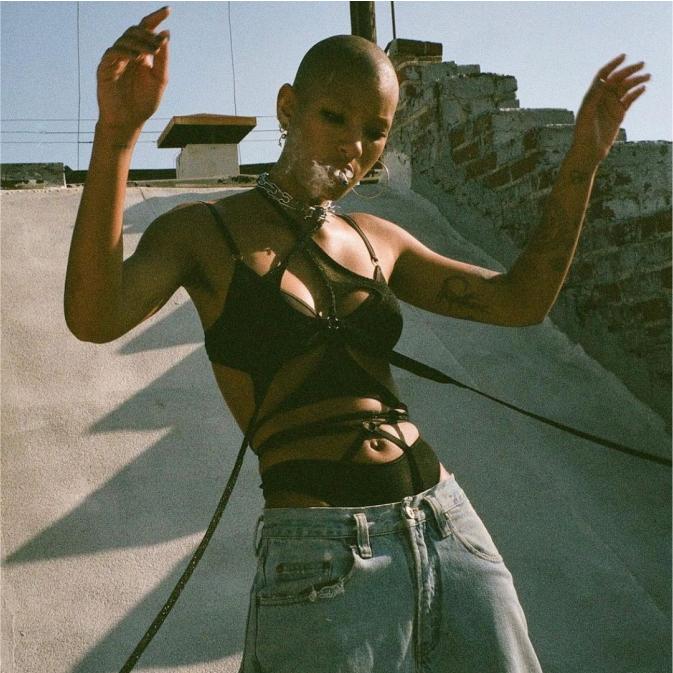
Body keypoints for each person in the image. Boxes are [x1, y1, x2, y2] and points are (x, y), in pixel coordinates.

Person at [64, 6, 649, 672]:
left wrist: (581, 163)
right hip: (318, 554)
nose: (354, 145)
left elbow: (519, 301)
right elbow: (94, 316)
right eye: (334, 117)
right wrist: (117, 135)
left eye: (375, 130)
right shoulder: (203, 231)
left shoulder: (377, 239)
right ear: (288, 107)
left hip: (448, 530)